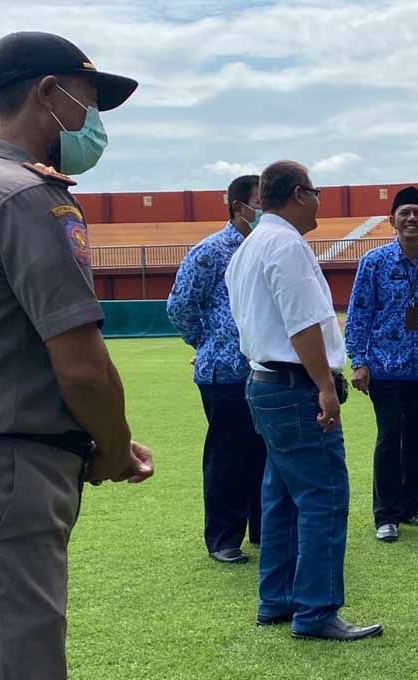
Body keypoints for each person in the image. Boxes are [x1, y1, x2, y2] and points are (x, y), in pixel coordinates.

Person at [0, 32, 154, 680]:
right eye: (89, 100)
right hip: (4, 472)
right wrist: (114, 446)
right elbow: (81, 363)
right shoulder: (28, 198)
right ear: (48, 93)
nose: (92, 121)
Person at [226, 160, 382, 641]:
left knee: (281, 496)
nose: (319, 201)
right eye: (315, 192)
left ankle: (277, 598)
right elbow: (302, 325)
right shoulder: (287, 246)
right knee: (323, 497)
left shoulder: (248, 247)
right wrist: (325, 386)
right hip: (295, 386)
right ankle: (315, 610)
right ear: (298, 193)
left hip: (264, 384)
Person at [345, 186, 418, 543]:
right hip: (386, 367)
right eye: (404, 213)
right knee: (390, 438)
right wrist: (359, 361)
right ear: (392, 221)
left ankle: (411, 506)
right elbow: (359, 313)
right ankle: (386, 515)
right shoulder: (374, 261)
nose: (411, 219)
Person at [167, 174, 268, 564]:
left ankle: (263, 528)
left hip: (267, 369)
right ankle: (224, 538)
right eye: (259, 202)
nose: (263, 209)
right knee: (228, 455)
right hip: (224, 372)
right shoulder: (209, 252)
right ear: (239, 206)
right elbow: (180, 306)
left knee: (265, 452)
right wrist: (206, 342)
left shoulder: (268, 249)